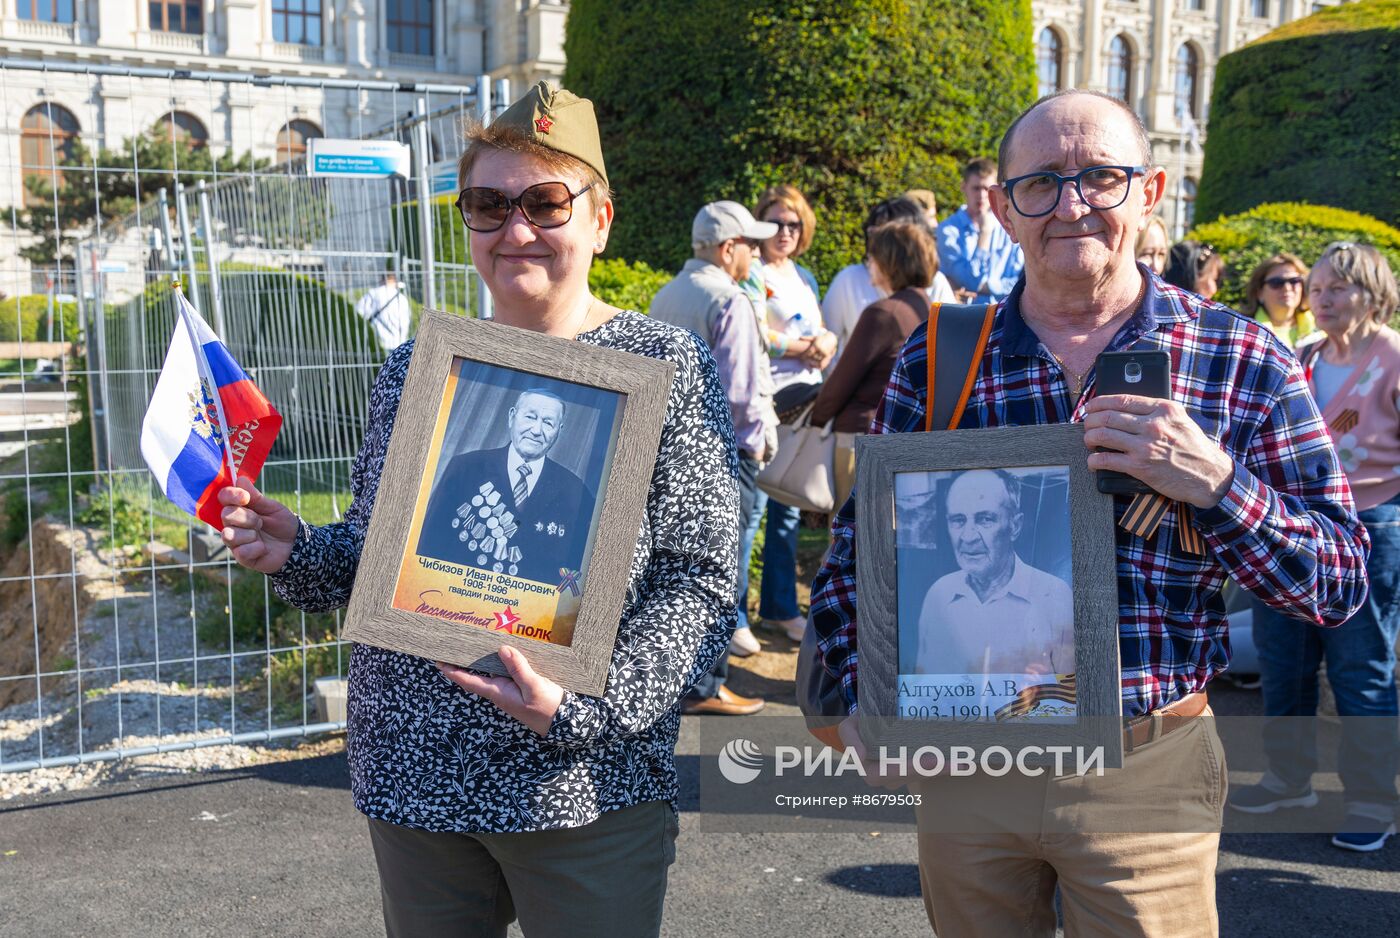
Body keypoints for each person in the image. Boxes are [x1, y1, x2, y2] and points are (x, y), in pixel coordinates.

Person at [809, 89, 1369, 936]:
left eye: (1102, 178)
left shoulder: (1239, 358)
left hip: (1145, 770)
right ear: (1003, 208)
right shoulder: (945, 352)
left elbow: (1337, 582)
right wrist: (851, 690)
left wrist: (1217, 484)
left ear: (1149, 192)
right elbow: (860, 544)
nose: (1073, 206)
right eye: (1041, 184)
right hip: (970, 765)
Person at [217, 82, 743, 937]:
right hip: (417, 770)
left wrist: (589, 709)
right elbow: (379, 549)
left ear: (601, 220)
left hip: (578, 785)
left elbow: (700, 577)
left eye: (545, 202)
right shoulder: (420, 369)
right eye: (489, 206)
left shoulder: (661, 366)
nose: (517, 230)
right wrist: (298, 552)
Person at [1230, 241, 1400, 852]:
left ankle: (1373, 801)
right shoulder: (1300, 357)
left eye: (1336, 289)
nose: (1320, 299)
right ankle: (1287, 778)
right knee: (1283, 660)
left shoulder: (1395, 357)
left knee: (1361, 667)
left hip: (1373, 525)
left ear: (1372, 291)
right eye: (1317, 288)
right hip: (1289, 527)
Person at [647, 199, 774, 709]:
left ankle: (680, 680)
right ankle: (705, 685)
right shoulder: (730, 300)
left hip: (668, 448)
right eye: (749, 244)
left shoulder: (665, 295)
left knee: (676, 570)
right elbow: (742, 397)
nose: (754, 252)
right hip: (723, 457)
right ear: (728, 249)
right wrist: (759, 449)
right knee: (722, 572)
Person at [750, 186, 835, 646]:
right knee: (752, 514)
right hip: (766, 404)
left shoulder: (803, 275)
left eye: (794, 224)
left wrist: (828, 343)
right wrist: (807, 346)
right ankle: (734, 618)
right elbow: (755, 331)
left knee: (785, 512)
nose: (785, 232)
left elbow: (821, 328)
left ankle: (780, 609)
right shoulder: (752, 272)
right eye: (777, 222)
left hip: (802, 403)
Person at [810, 220, 937, 510]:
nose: (868, 264)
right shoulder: (930, 308)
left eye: (872, 256)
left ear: (888, 261)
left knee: (853, 539)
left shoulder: (884, 313)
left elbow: (840, 384)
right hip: (908, 438)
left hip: (863, 437)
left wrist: (813, 421)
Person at [416, 388, 592, 584]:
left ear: (559, 431)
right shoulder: (465, 468)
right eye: (530, 417)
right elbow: (429, 546)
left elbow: (573, 576)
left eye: (548, 423)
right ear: (512, 417)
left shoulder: (576, 492)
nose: (536, 430)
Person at [915, 470, 1074, 677]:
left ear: (1015, 526)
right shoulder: (938, 594)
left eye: (985, 519)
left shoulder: (1054, 594)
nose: (968, 536)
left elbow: (1072, 695)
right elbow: (921, 690)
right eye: (958, 520)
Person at [823, 196, 956, 358]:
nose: (876, 242)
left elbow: (950, 344)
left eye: (887, 234)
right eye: (873, 232)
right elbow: (829, 341)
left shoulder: (935, 283)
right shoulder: (849, 279)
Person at [936, 157, 1024, 304]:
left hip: (1005, 313)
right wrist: (985, 234)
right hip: (966, 317)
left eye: (987, 189)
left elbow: (1018, 282)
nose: (982, 196)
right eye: (976, 188)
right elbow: (970, 280)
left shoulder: (1009, 226)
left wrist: (984, 286)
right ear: (963, 187)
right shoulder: (947, 231)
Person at [1240, 252, 1315, 348]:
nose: (1287, 288)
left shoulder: (1321, 327)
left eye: (1294, 281)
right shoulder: (1244, 332)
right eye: (1276, 283)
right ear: (1259, 293)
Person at [354, 272, 412, 351]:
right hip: (398, 344)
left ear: (382, 279)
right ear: (394, 281)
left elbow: (358, 313)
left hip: (378, 343)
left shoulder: (374, 293)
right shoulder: (402, 298)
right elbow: (406, 321)